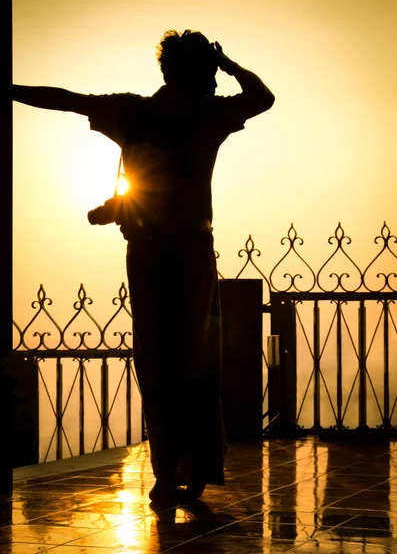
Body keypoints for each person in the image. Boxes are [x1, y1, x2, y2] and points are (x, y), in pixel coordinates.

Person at [11, 30, 275, 503]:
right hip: (192, 250)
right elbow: (262, 97)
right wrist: (232, 63)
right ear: (197, 73)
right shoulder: (207, 113)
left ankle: (168, 468)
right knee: (196, 363)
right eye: (212, 74)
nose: (218, 83)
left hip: (148, 253)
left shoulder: (134, 111)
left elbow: (64, 100)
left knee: (157, 362)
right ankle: (193, 467)